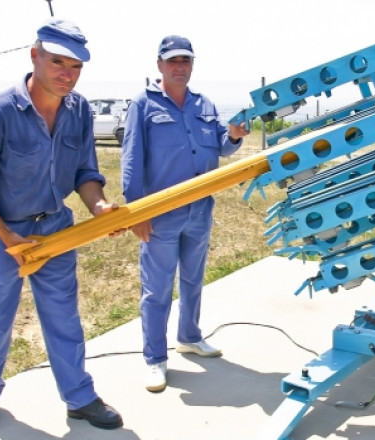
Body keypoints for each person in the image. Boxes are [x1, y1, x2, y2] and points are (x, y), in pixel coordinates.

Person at [0, 18, 123, 438]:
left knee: (64, 317)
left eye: (76, 66)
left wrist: (98, 206)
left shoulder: (79, 110)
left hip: (56, 230)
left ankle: (79, 398)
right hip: (2, 236)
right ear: (35, 56)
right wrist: (6, 236)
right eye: (58, 62)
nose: (67, 74)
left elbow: (84, 171)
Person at [121, 35, 249, 393]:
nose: (180, 66)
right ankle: (155, 358)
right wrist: (135, 211)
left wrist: (234, 135)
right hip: (160, 213)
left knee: (193, 279)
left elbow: (222, 147)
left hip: (199, 210)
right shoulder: (143, 104)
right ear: (159, 65)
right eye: (173, 60)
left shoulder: (203, 104)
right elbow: (131, 159)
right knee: (157, 288)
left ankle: (190, 337)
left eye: (186, 60)